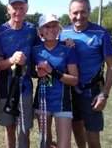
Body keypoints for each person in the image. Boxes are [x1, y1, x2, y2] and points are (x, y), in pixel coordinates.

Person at [60, 0, 112, 148]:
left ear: (89, 12)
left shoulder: (101, 33)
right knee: (76, 128)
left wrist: (104, 94)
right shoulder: (62, 33)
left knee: (92, 136)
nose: (79, 16)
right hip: (70, 91)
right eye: (75, 12)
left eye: (83, 12)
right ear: (69, 13)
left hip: (91, 92)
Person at [0, 0, 40, 148]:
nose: (18, 11)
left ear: (27, 9)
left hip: (25, 89)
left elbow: (44, 48)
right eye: (14, 7)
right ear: (8, 9)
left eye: (22, 7)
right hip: (5, 88)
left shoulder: (32, 30)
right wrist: (12, 60)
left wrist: (65, 42)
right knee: (10, 129)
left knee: (24, 130)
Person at [32, 13, 79, 148]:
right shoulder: (35, 50)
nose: (50, 29)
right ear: (40, 31)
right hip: (42, 102)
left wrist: (52, 71)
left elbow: (75, 80)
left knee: (64, 145)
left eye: (54, 26)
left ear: (59, 29)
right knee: (45, 143)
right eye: (46, 26)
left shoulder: (67, 49)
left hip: (62, 103)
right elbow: (31, 73)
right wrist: (36, 72)